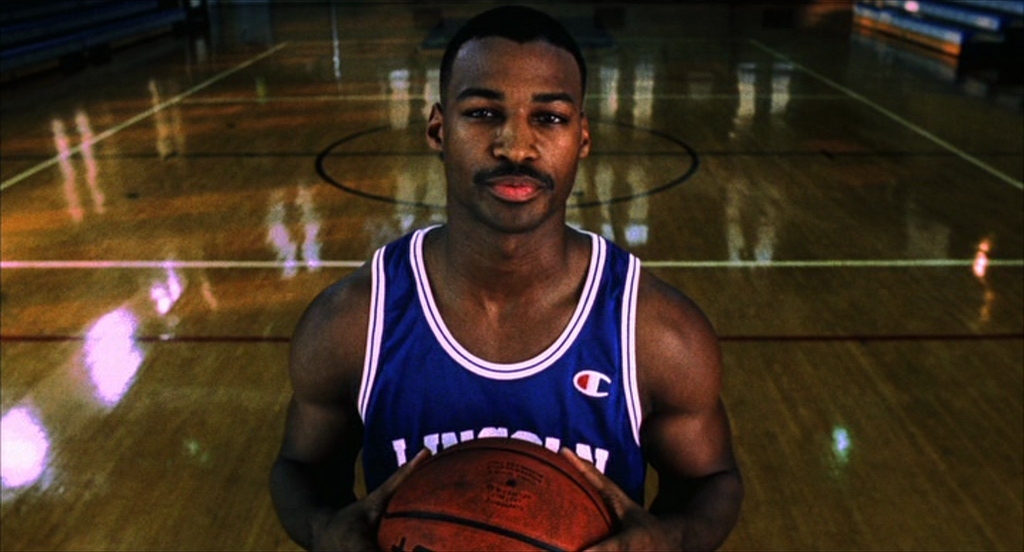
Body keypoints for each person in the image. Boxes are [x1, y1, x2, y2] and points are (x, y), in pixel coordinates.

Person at [270, 5, 743, 551]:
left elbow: (711, 480)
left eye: (550, 118)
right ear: (437, 128)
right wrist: (323, 531)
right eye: (482, 113)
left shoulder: (656, 333)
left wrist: (670, 540)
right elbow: (299, 468)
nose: (515, 147)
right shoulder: (355, 321)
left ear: (582, 138)